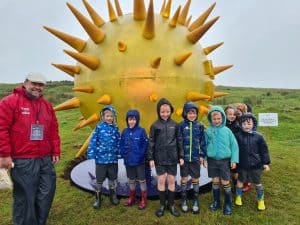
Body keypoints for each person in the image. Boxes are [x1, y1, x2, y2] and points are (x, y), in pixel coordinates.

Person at [0, 72, 61, 225]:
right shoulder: (10, 102)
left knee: (47, 192)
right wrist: (4, 154)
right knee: (26, 197)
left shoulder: (46, 105)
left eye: (41, 85)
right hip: (23, 159)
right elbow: (1, 128)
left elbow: (53, 129)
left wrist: (55, 150)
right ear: (26, 82)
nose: (37, 87)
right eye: (34, 83)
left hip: (45, 158)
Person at [147, 98, 184, 217]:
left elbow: (179, 142)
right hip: (159, 158)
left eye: (167, 111)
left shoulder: (175, 125)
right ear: (159, 111)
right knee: (162, 180)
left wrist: (181, 156)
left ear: (171, 111)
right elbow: (151, 142)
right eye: (162, 112)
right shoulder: (154, 126)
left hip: (173, 158)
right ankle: (162, 205)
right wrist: (151, 158)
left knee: (171, 180)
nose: (165, 114)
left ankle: (171, 205)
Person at [205, 106, 239, 215]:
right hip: (212, 161)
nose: (216, 121)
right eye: (214, 119)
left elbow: (234, 146)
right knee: (215, 181)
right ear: (210, 119)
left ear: (223, 118)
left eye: (219, 118)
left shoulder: (227, 131)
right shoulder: (208, 131)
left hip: (224, 161)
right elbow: (204, 146)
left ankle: (228, 204)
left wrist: (234, 160)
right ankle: (216, 202)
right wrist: (205, 158)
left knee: (225, 181)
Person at [234, 113, 270, 211]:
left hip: (256, 165)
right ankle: (238, 197)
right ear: (240, 124)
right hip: (242, 164)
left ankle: (261, 200)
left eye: (249, 124)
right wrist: (234, 162)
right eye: (244, 124)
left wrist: (265, 163)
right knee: (240, 181)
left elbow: (264, 151)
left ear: (253, 124)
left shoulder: (259, 136)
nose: (246, 126)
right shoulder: (237, 136)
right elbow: (234, 150)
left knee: (257, 182)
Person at [87, 105, 120, 209]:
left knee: (112, 178)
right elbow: (93, 141)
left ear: (114, 117)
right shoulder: (99, 127)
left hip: (113, 159)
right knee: (99, 180)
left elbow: (119, 141)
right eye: (107, 116)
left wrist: (121, 152)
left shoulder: (115, 128)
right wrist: (91, 152)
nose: (109, 118)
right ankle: (98, 198)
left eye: (111, 116)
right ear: (103, 116)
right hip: (101, 159)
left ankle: (113, 196)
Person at [178, 102, 207, 214]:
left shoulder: (199, 126)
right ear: (185, 113)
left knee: (195, 179)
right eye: (189, 113)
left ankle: (195, 200)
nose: (192, 115)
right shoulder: (180, 126)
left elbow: (202, 143)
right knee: (184, 179)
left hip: (195, 159)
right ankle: (184, 200)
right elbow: (179, 143)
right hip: (184, 159)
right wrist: (180, 157)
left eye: (194, 113)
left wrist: (201, 155)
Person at [120, 109, 149, 210]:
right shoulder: (124, 132)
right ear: (127, 120)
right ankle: (132, 197)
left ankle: (143, 199)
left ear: (137, 120)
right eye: (129, 119)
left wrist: (140, 155)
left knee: (142, 180)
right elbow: (121, 144)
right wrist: (123, 154)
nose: (131, 121)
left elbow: (145, 145)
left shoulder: (141, 131)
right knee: (131, 179)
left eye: (134, 119)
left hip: (139, 161)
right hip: (128, 161)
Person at [224, 104, 240, 194]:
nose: (232, 116)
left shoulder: (238, 127)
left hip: (234, 152)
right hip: (225, 152)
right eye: (230, 114)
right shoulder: (222, 125)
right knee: (227, 170)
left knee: (235, 171)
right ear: (225, 114)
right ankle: (227, 188)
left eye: (234, 115)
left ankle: (236, 186)